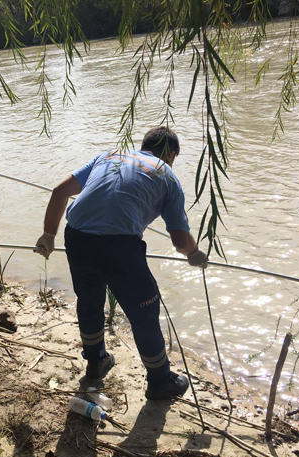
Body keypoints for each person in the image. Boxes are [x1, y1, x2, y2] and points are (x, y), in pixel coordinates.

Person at [34, 127, 208, 400]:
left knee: (89, 301)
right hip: (120, 246)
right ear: (172, 154)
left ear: (143, 145)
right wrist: (194, 253)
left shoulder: (110, 155)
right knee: (144, 312)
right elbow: (179, 240)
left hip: (77, 237)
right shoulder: (167, 174)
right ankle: (160, 381)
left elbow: (59, 192)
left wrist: (48, 235)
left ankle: (96, 362)